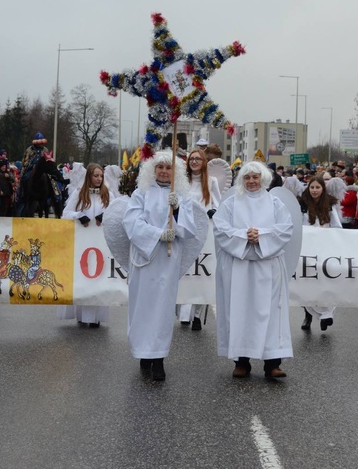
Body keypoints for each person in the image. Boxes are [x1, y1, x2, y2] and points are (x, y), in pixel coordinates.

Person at [213, 161, 294, 379]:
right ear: (242, 180)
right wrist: (244, 236)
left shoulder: (275, 202)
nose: (251, 181)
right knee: (239, 311)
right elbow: (220, 228)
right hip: (238, 267)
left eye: (255, 177)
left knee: (271, 312)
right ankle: (241, 361)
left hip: (268, 266)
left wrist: (262, 236)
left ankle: (272, 362)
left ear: (263, 179)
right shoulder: (231, 204)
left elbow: (286, 229)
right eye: (247, 177)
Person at [124, 151, 199, 381]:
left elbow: (189, 230)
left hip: (167, 261)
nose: (164, 171)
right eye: (160, 167)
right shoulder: (141, 193)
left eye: (168, 168)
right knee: (143, 306)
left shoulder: (181, 197)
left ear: (175, 172)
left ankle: (158, 358)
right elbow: (131, 223)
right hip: (145, 259)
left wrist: (176, 211)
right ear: (153, 170)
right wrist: (158, 234)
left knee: (162, 308)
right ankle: (143, 355)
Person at [59, 163, 114, 327]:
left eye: (101, 176)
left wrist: (106, 216)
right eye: (95, 176)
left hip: (101, 244)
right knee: (84, 277)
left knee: (99, 277)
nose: (98, 179)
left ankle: (96, 316)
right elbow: (65, 214)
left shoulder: (108, 194)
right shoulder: (79, 194)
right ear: (89, 176)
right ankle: (83, 315)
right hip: (83, 244)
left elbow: (119, 214)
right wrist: (79, 215)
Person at [176, 149, 221, 330]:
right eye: (191, 159)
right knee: (185, 271)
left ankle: (196, 314)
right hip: (185, 231)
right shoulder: (181, 181)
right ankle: (183, 311)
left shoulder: (211, 182)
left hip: (203, 232)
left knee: (201, 272)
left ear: (203, 162)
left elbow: (218, 203)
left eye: (198, 159)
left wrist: (213, 211)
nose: (194, 162)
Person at [298, 177, 342, 331]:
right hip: (307, 250)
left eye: (317, 187)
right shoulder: (302, 204)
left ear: (323, 188)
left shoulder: (330, 204)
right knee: (308, 283)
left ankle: (327, 315)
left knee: (326, 283)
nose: (315, 190)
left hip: (326, 251)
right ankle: (308, 316)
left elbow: (337, 227)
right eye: (312, 187)